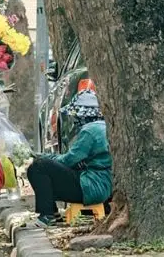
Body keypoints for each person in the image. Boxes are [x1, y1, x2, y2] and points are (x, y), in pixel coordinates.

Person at [27, 89, 112, 227]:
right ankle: (52, 214)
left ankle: (48, 215)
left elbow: (69, 160)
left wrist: (45, 157)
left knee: (38, 167)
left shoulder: (90, 131)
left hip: (90, 187)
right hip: (105, 187)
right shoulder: (106, 127)